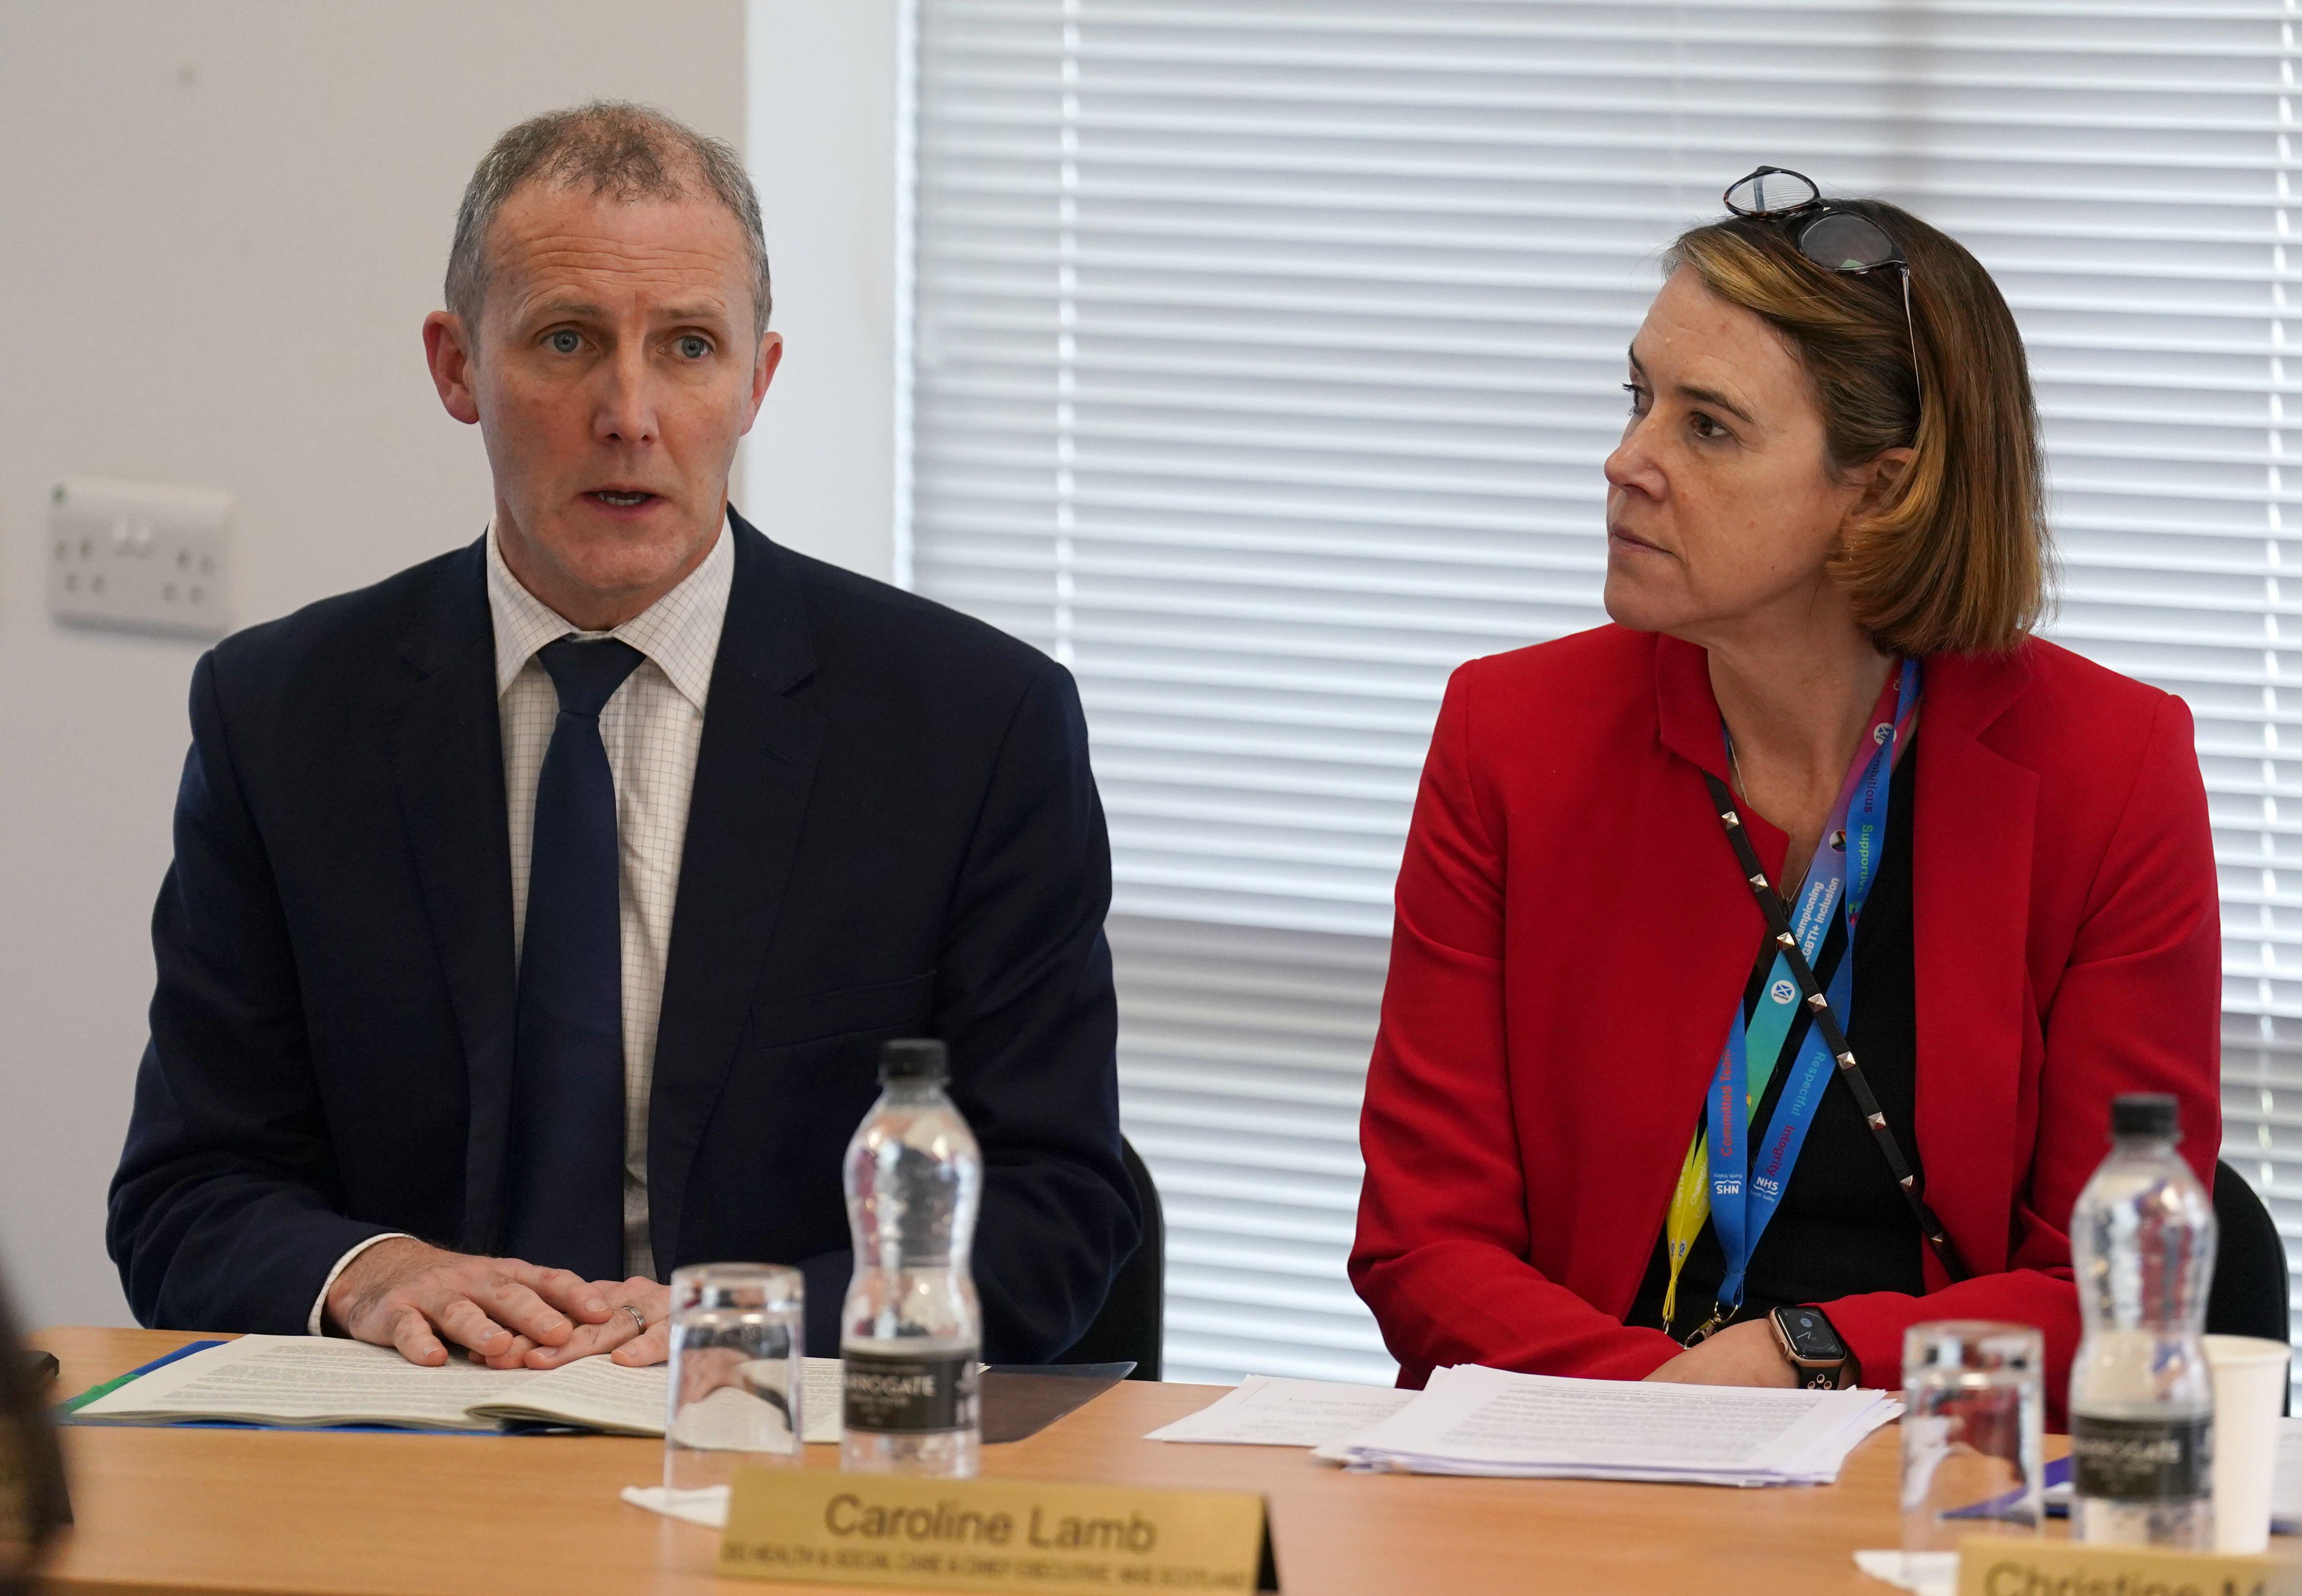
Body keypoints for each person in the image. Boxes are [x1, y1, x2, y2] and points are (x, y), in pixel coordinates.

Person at [108, 103, 1138, 1372]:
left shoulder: (973, 731)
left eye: (690, 347)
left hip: (776, 1453)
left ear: (757, 382)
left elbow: (1059, 1215)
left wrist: (743, 1322)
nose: (629, 413)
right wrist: (371, 1276)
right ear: (456, 367)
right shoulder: (283, 719)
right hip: (413, 1448)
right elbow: (188, 1192)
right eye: (566, 341)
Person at [1350, 168, 2219, 1405]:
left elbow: (2117, 1279)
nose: (1623, 460)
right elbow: (1424, 1244)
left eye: (1706, 426)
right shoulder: (1510, 733)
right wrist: (1656, 1420)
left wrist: (1807, 1358)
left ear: (1880, 488)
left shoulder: (2107, 768)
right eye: (1639, 399)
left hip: (1937, 1475)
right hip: (1571, 1466)